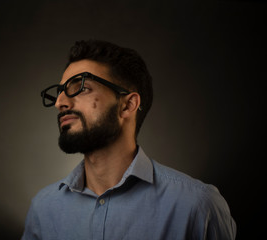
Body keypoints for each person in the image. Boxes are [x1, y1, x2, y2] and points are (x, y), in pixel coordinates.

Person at [22, 40, 236, 240]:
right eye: (60, 92)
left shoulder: (197, 206)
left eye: (82, 87)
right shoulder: (43, 209)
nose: (60, 102)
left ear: (127, 105)